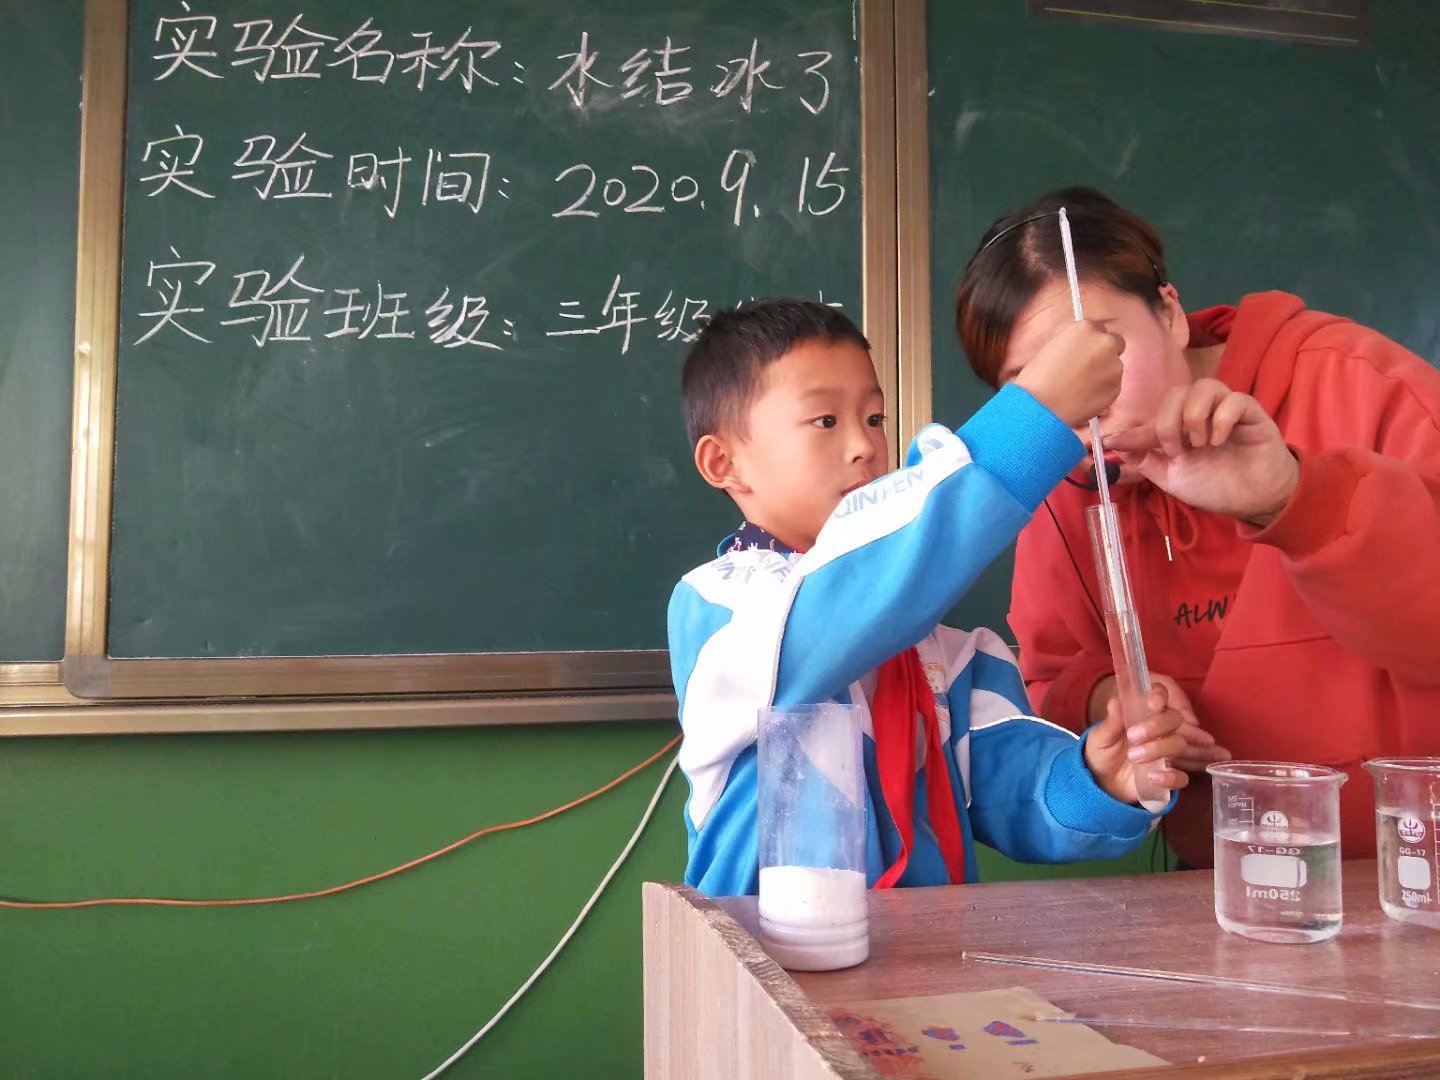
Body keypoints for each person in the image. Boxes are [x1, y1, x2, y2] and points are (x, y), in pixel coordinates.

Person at [954, 186, 1440, 868]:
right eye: (1036, 384)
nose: (1086, 402)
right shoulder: (1064, 480)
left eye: (1102, 349)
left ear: (1171, 313)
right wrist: (1117, 700)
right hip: (1229, 884)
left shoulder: (1362, 388)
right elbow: (1052, 674)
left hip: (1413, 874)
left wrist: (1293, 499)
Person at [668, 298, 1190, 898]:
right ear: (725, 462)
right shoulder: (724, 608)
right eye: (825, 421)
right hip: (760, 950)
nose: (865, 446)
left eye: (875, 418)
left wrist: (1097, 776)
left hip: (920, 953)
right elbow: (846, 606)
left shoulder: (945, 652)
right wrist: (1034, 418)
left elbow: (1009, 787)